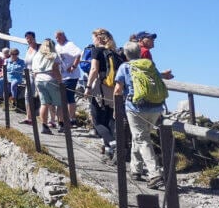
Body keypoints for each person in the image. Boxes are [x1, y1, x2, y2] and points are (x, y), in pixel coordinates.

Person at [114, 41, 173, 190]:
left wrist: (117, 108)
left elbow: (117, 90)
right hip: (155, 107)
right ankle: (136, 169)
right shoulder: (148, 65)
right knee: (139, 136)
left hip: (135, 108)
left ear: (126, 55)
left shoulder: (124, 67)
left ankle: (154, 174)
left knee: (142, 139)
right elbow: (158, 77)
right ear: (139, 53)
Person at [83, 28, 122, 159]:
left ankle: (113, 143)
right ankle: (109, 152)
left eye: (93, 38)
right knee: (108, 120)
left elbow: (94, 69)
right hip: (113, 89)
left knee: (97, 122)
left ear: (98, 38)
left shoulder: (97, 50)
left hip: (100, 87)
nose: (93, 40)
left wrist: (88, 87)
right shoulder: (115, 53)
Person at [31, 38, 62, 135]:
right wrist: (60, 82)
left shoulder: (36, 56)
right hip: (50, 79)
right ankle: (62, 125)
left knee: (44, 104)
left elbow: (33, 71)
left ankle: (44, 126)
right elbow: (55, 69)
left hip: (39, 79)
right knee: (59, 103)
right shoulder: (53, 55)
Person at [54, 30, 83, 126]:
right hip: (62, 75)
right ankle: (69, 119)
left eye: (58, 37)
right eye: (55, 37)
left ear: (62, 36)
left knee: (68, 96)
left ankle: (70, 119)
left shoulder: (69, 44)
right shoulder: (57, 47)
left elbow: (79, 54)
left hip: (71, 75)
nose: (56, 39)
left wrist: (74, 66)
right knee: (65, 97)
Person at [20, 31, 41, 124]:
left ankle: (49, 119)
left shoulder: (39, 47)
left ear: (34, 38)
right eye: (27, 38)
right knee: (28, 95)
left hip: (38, 75)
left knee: (42, 96)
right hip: (29, 75)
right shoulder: (28, 48)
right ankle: (29, 117)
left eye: (30, 38)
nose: (28, 40)